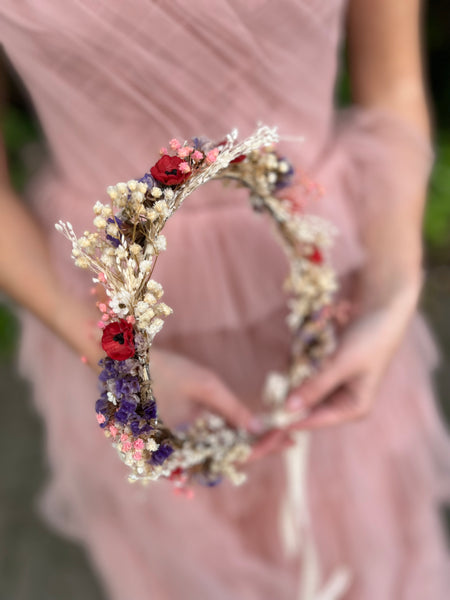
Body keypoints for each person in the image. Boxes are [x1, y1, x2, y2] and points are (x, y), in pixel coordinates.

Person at [0, 1, 449, 598]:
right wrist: (115, 352)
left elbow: (392, 84)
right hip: (121, 309)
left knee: (360, 534)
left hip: (325, 282)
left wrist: (392, 290)